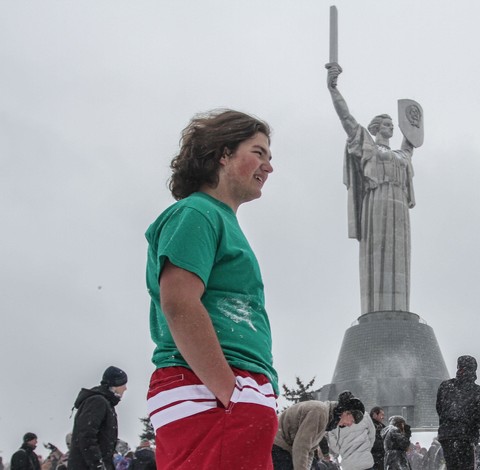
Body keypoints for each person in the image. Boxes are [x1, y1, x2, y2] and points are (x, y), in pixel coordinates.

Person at [144, 109, 278, 469]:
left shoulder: (220, 220)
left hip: (231, 390)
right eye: (259, 152)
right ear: (223, 154)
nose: (268, 167)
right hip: (210, 390)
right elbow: (179, 302)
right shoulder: (198, 213)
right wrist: (231, 392)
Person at [326, 62, 417, 314]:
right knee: (378, 254)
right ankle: (376, 311)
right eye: (387, 124)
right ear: (376, 128)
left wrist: (412, 121)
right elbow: (347, 120)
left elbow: (413, 138)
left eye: (392, 125)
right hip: (376, 202)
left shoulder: (401, 155)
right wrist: (333, 89)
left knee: (400, 258)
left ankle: (399, 311)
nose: (391, 127)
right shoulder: (368, 146)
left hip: (399, 208)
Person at [272, 391, 366, 470]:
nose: (350, 425)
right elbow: (301, 446)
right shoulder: (319, 413)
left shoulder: (327, 418)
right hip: (278, 444)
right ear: (346, 412)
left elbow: (310, 450)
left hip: (285, 447)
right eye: (352, 420)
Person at [68, 366, 127, 470]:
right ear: (115, 384)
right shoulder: (97, 401)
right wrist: (98, 465)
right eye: (123, 384)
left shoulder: (106, 403)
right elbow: (86, 435)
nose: (125, 388)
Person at [436, 355, 480, 470]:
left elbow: (439, 408)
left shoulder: (445, 386)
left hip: (447, 435)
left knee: (451, 465)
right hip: (466, 436)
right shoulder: (478, 391)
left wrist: (448, 424)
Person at [326, 405, 376, 470]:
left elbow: (334, 445)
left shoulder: (335, 422)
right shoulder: (364, 415)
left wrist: (342, 450)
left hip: (349, 464)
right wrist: (366, 449)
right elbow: (372, 434)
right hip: (366, 461)